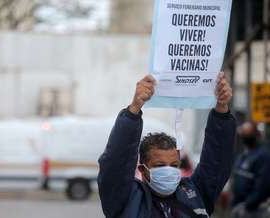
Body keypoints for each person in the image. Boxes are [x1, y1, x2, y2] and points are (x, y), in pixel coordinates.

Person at [98, 72, 236, 218]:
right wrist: (134, 109)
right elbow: (116, 162)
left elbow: (217, 158)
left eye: (174, 165)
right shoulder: (126, 199)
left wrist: (221, 108)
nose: (168, 171)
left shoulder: (195, 192)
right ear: (143, 170)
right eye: (159, 165)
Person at [231, 121, 270, 218]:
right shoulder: (244, 155)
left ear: (256, 135)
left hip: (254, 210)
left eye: (248, 133)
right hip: (240, 207)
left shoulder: (263, 156)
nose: (245, 136)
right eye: (243, 133)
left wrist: (248, 205)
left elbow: (262, 185)